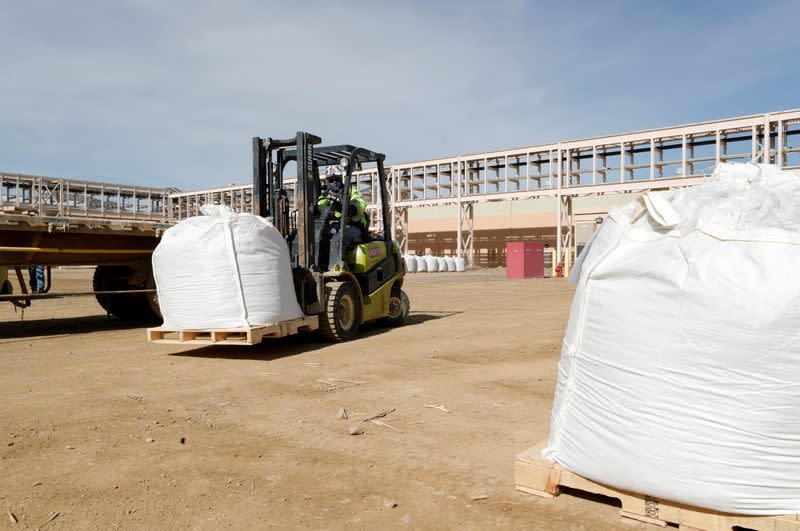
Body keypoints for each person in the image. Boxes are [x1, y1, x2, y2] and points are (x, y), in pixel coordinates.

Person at [317, 168, 368, 249]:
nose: (335, 182)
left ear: (341, 179)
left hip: (354, 225)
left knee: (341, 238)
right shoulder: (325, 196)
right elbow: (320, 206)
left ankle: (338, 260)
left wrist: (350, 209)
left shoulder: (351, 191)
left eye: (337, 179)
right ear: (327, 182)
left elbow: (360, 203)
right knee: (321, 237)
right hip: (337, 225)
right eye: (331, 180)